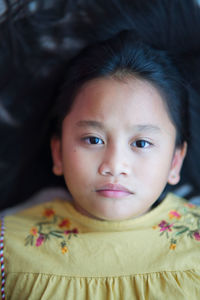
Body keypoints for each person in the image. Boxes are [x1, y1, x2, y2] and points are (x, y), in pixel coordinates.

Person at [1, 1, 200, 299]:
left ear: (175, 161)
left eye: (141, 143)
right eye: (93, 140)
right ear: (58, 153)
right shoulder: (7, 250)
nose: (114, 165)